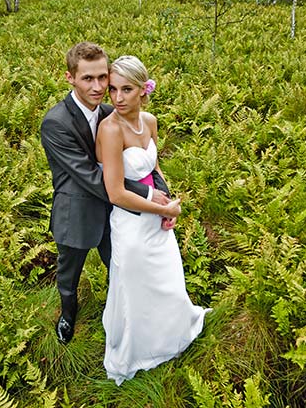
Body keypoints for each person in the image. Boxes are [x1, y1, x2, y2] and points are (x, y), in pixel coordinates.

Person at [39, 42, 176, 345]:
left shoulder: (112, 112)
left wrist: (162, 192)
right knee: (69, 272)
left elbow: (143, 159)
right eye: (88, 78)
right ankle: (68, 314)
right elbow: (88, 175)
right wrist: (147, 194)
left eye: (103, 77)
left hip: (116, 211)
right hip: (77, 211)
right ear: (70, 78)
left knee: (122, 267)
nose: (99, 86)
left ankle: (126, 315)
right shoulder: (55, 122)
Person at [96, 55, 210, 385]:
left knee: (166, 278)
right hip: (131, 224)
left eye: (126, 89)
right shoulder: (111, 130)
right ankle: (137, 349)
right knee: (135, 286)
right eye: (113, 90)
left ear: (143, 91)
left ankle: (172, 333)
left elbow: (153, 167)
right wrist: (161, 209)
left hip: (155, 214)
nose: (117, 98)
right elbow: (115, 193)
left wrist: (168, 199)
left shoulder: (150, 121)